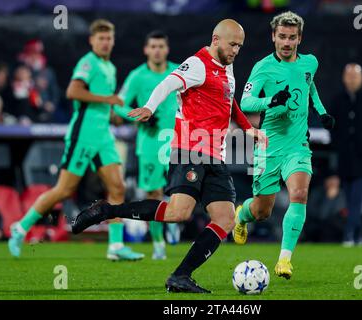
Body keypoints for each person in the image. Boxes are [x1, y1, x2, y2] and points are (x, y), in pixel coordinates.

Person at [72, 19, 267, 293]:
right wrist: (150, 107)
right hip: (190, 150)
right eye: (232, 44)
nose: (236, 50)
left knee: (225, 218)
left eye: (240, 46)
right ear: (216, 39)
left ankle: (180, 276)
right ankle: (107, 211)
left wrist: (250, 130)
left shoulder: (227, 66)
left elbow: (229, 98)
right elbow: (168, 83)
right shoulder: (198, 63)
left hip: (215, 154)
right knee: (179, 213)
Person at [8, 19, 143, 261]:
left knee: (117, 187)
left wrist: (123, 115)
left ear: (113, 41)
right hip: (84, 135)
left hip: (103, 136)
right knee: (64, 189)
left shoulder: (109, 67)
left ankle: (115, 245)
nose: (105, 42)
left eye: (108, 38)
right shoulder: (88, 63)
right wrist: (107, 100)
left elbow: (107, 105)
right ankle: (20, 228)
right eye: (100, 38)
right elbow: (73, 92)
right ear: (92, 40)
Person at [232, 11, 335, 280]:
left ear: (299, 38)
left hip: (298, 145)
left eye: (292, 37)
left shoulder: (310, 63)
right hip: (268, 145)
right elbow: (245, 103)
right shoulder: (262, 67)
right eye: (282, 37)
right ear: (273, 37)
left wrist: (321, 112)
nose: (286, 42)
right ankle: (242, 215)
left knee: (299, 194)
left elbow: (310, 88)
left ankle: (284, 260)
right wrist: (271, 102)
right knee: (262, 210)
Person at [113, 30, 180, 260]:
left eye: (161, 46)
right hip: (151, 143)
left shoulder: (180, 71)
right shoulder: (137, 76)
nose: (157, 50)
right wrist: (139, 116)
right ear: (146, 50)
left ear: (167, 49)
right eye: (153, 46)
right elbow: (119, 105)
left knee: (186, 188)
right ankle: (159, 243)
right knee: (153, 194)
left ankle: (174, 219)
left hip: (181, 141)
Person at [328, 63, 362, 246]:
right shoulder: (338, 99)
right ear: (344, 78)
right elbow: (331, 124)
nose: (352, 79)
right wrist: (338, 143)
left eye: (355, 76)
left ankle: (350, 234)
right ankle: (358, 234)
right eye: (349, 76)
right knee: (349, 196)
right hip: (345, 159)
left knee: (357, 198)